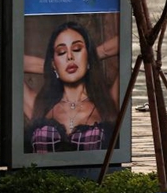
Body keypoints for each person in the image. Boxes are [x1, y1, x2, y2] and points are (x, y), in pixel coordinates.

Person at [25, 22, 118, 153]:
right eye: (61, 52)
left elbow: (126, 42)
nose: (69, 56)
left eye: (77, 49)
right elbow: (13, 62)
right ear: (53, 62)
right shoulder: (38, 104)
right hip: (44, 174)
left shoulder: (109, 102)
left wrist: (92, 58)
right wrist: (52, 68)